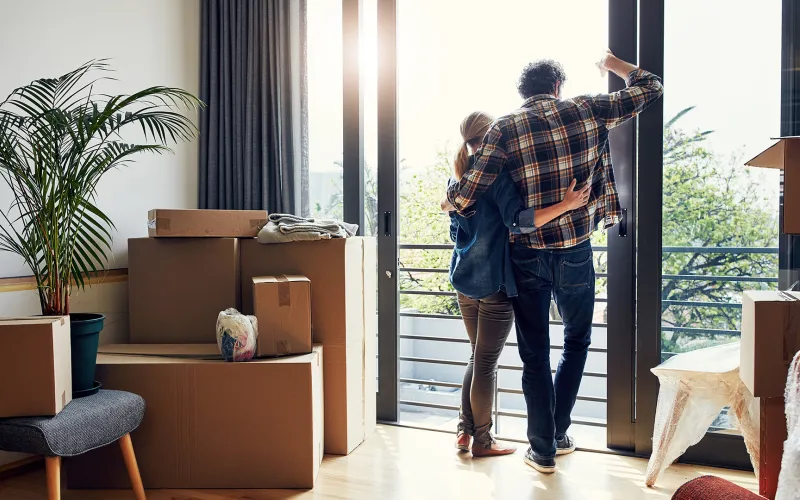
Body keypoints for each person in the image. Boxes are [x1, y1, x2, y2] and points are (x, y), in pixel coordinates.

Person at [444, 51, 663, 473]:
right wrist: (615, 65)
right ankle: (559, 431)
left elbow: (467, 193)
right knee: (577, 340)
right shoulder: (587, 108)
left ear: (522, 93)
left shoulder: (505, 128)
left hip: (526, 256)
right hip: (575, 250)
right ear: (557, 87)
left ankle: (542, 449)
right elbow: (651, 86)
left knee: (534, 355)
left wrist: (448, 199)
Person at [448, 111, 591, 458]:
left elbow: (456, 232)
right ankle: (482, 441)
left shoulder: (459, 180)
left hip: (464, 281)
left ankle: (464, 431)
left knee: (477, 357)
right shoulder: (496, 177)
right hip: (495, 284)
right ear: (494, 136)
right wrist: (567, 204)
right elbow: (519, 222)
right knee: (485, 363)